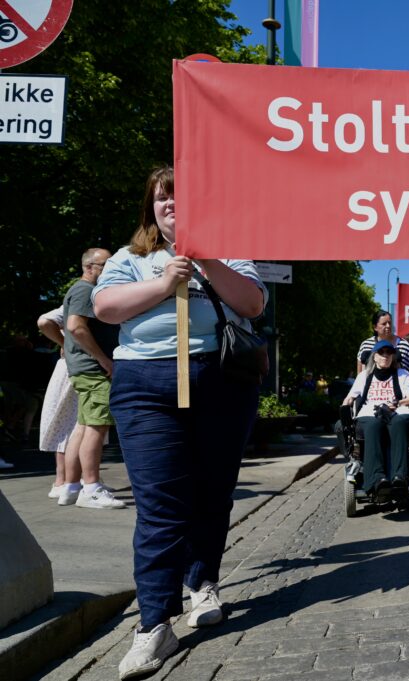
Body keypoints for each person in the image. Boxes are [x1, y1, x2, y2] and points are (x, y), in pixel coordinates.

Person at [93, 166, 268, 678]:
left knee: (213, 493)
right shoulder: (130, 259)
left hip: (220, 380)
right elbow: (105, 308)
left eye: (181, 197)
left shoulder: (228, 252)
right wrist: (165, 282)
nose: (172, 204)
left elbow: (252, 303)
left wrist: (207, 258)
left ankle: (203, 581)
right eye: (163, 198)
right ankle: (153, 625)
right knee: (160, 506)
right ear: (151, 208)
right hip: (146, 386)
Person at [62, 247, 126, 510]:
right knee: (96, 428)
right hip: (93, 370)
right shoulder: (85, 290)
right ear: (89, 267)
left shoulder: (80, 290)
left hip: (84, 368)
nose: (110, 269)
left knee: (83, 427)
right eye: (105, 265)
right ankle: (91, 488)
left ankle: (72, 486)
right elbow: (76, 326)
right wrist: (104, 359)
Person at [343, 339, 409, 499]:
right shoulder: (364, 376)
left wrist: (397, 403)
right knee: (374, 425)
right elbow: (350, 397)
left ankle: (400, 478)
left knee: (398, 423)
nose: (385, 356)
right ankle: (376, 480)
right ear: (374, 357)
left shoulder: (401, 374)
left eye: (389, 352)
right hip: (370, 413)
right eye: (381, 353)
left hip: (395, 411)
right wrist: (346, 404)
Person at [36, 306, 88, 499]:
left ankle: (68, 479)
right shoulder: (81, 298)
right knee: (73, 424)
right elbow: (44, 321)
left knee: (74, 423)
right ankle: (63, 480)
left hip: (74, 366)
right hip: (75, 368)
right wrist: (66, 343)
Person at [356, 311, 409, 396]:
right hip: (369, 397)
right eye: (384, 324)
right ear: (375, 327)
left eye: (390, 323)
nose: (388, 326)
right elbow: (360, 372)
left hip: (397, 400)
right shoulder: (366, 345)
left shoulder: (402, 345)